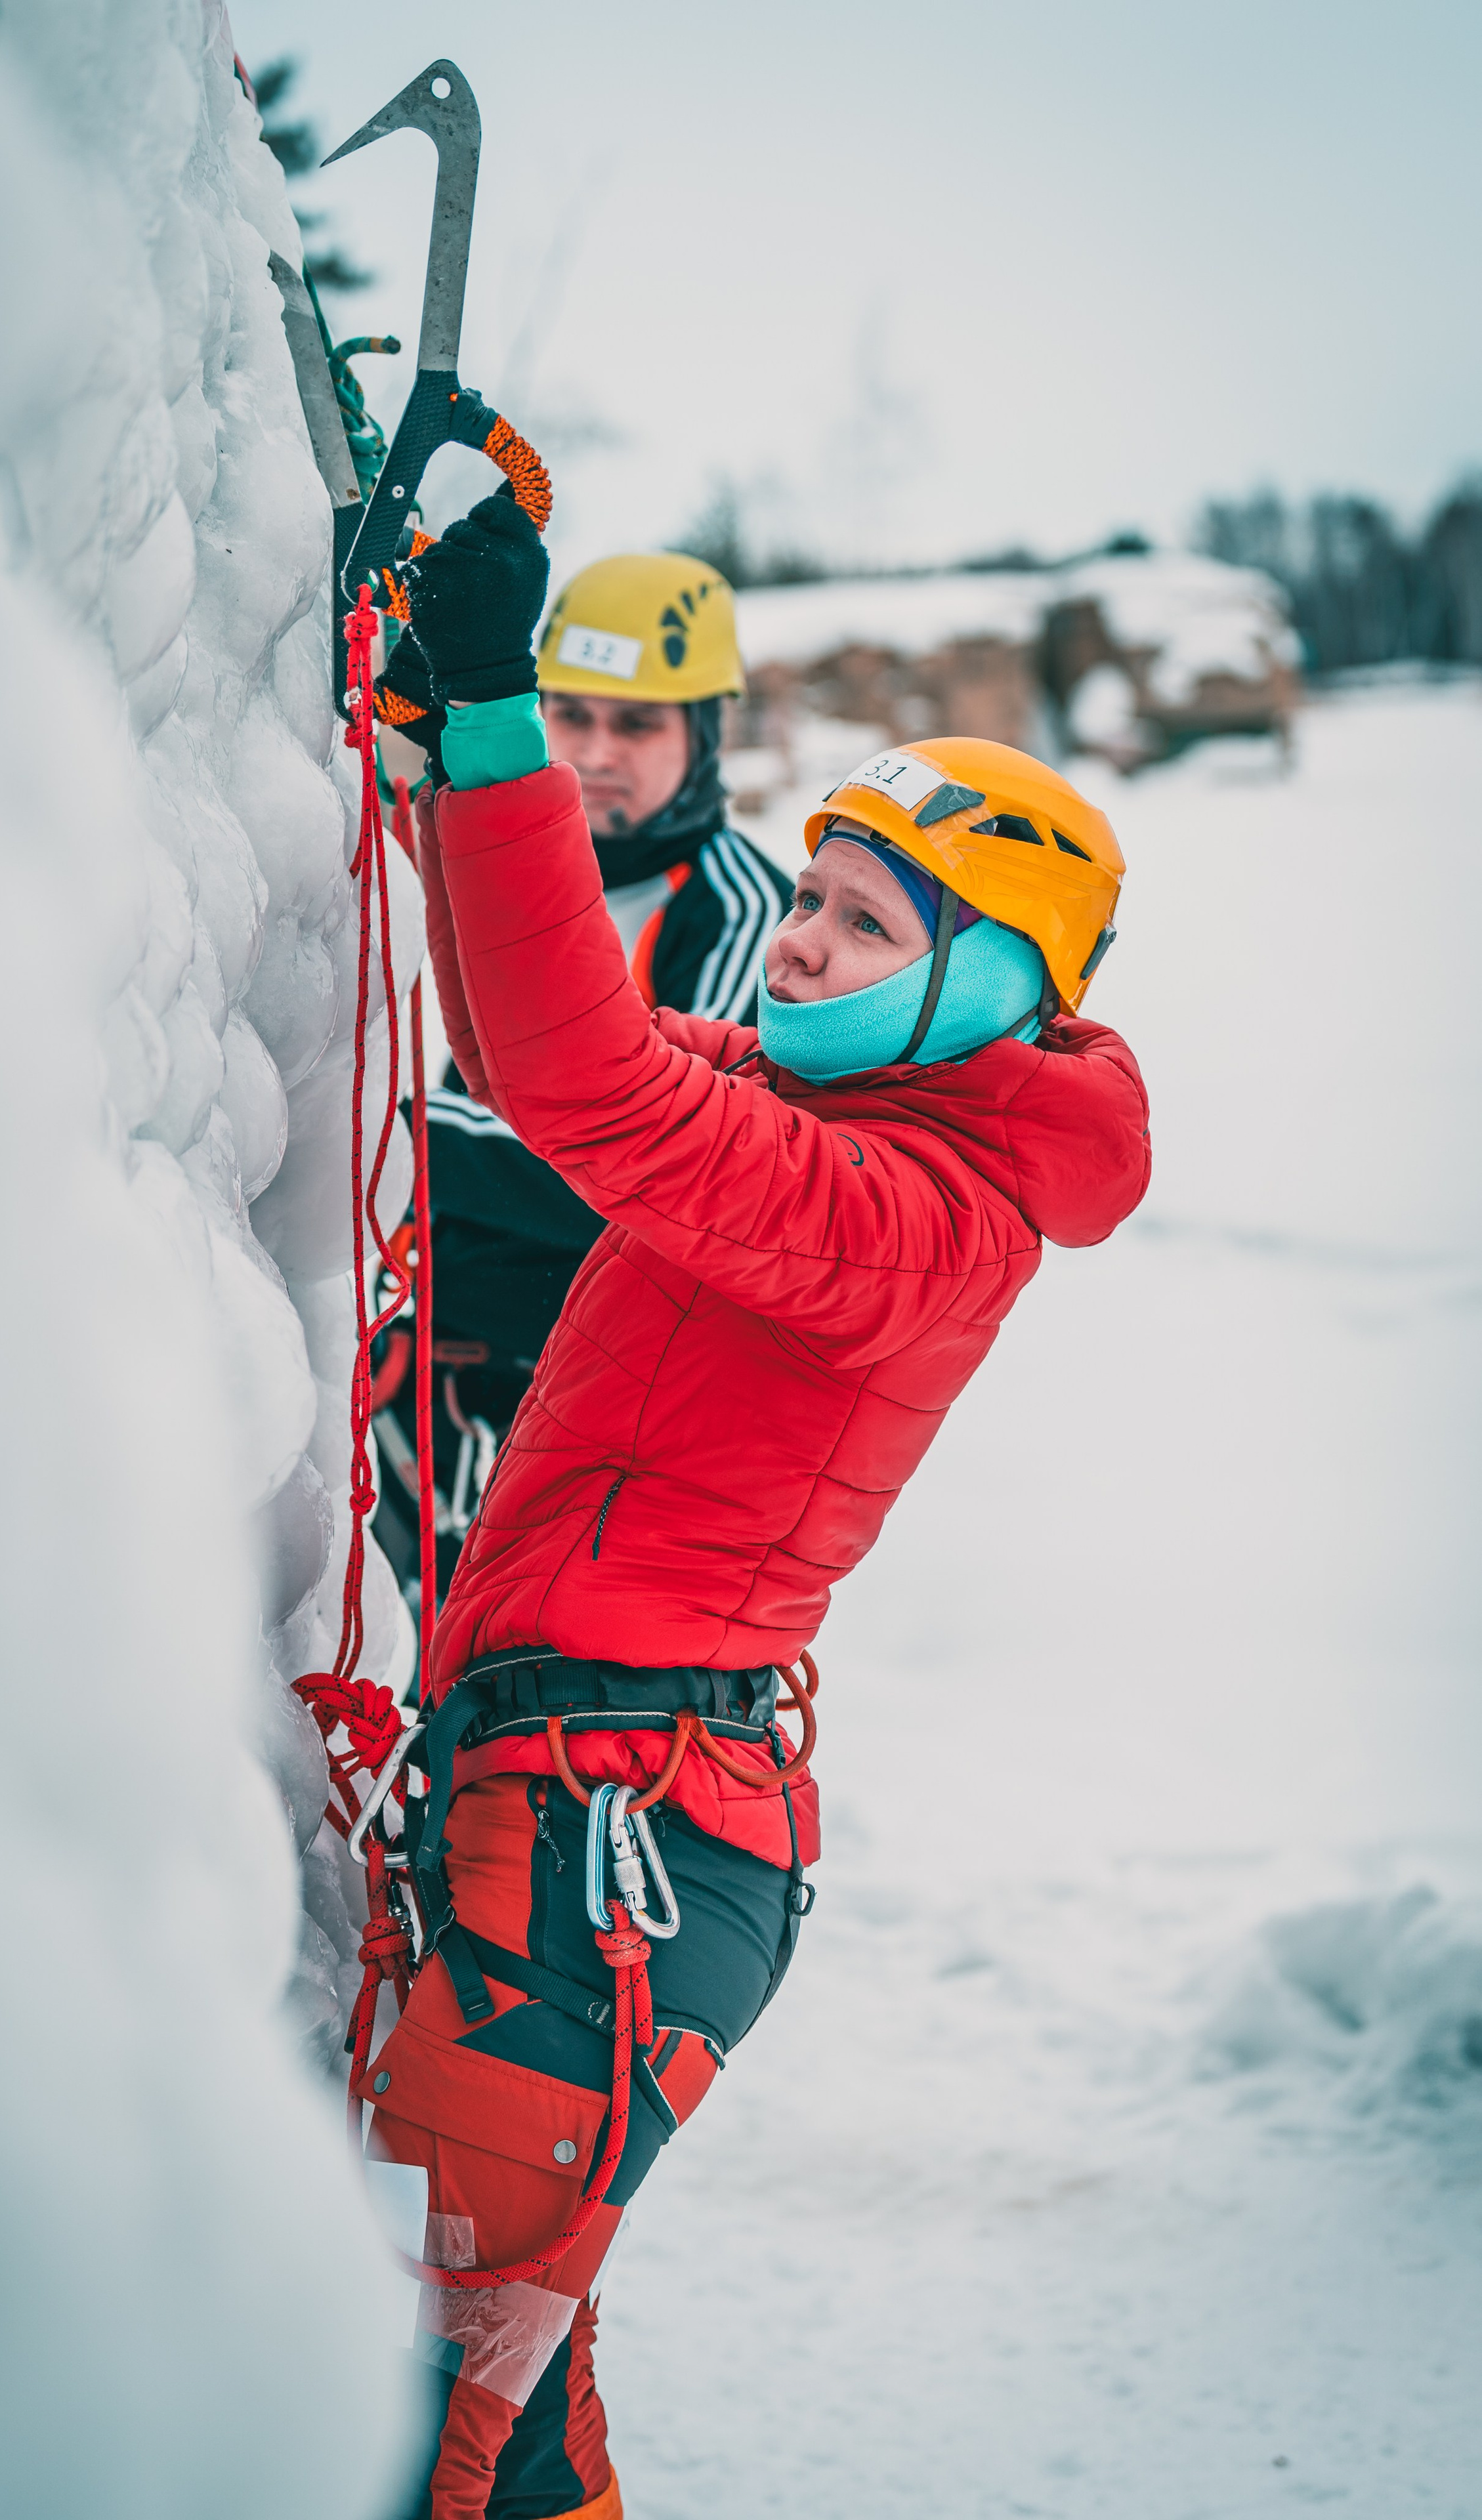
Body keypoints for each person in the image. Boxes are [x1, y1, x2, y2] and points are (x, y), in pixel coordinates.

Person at [365, 488, 1151, 2520]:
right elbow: (538, 1038)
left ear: (1005, 992)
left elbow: (587, 1096)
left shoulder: (919, 1217)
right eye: (813, 891)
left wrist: (499, 711)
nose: (800, 938)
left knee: (427, 2407)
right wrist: (451, 738)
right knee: (492, 2398)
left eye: (873, 927)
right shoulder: (820, 1104)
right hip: (575, 1810)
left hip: (615, 1859)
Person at [370, 557, 792, 1611]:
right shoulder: (517, 858)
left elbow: (636, 1169)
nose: (598, 755)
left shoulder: (741, 914)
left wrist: (389, 1141)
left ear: (706, 732)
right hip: (429, 1348)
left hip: (589, 1385)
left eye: (638, 726)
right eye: (573, 714)